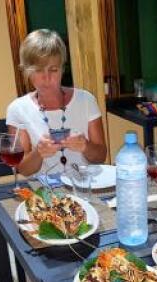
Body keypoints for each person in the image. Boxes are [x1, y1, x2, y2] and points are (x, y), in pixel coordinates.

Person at [6, 29, 107, 177]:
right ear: (27, 72)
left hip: (84, 185)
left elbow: (100, 156)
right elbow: (23, 169)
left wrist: (85, 145)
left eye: (53, 70)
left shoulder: (86, 100)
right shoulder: (18, 109)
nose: (46, 78)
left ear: (62, 69)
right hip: (45, 191)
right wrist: (39, 152)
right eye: (39, 70)